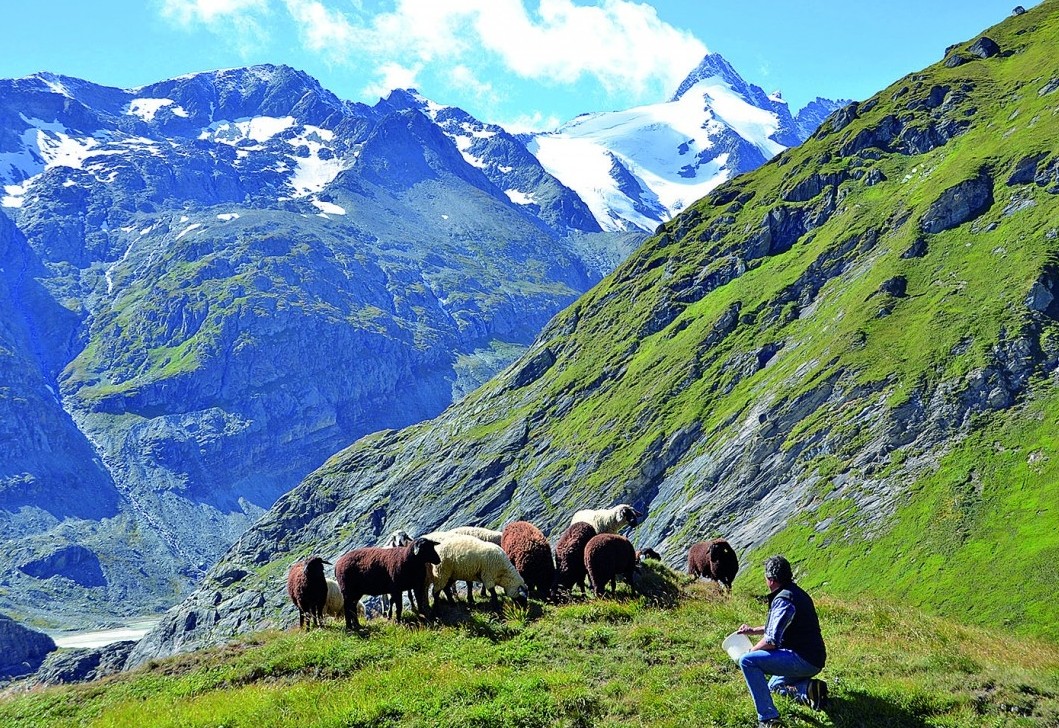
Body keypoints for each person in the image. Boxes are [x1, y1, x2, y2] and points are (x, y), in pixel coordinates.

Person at [736, 555, 828, 727]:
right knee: (774, 686)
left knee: (747, 662)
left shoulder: (783, 600)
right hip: (814, 658)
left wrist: (751, 652)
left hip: (802, 659)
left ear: (770, 579)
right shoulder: (795, 593)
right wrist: (752, 631)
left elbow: (771, 640)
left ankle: (769, 719)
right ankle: (808, 690)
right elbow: (780, 626)